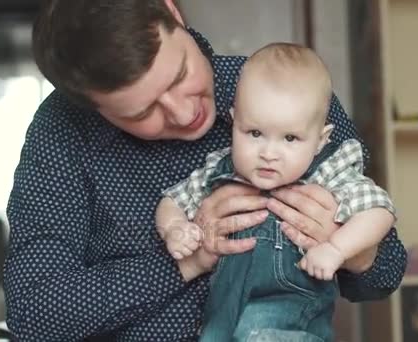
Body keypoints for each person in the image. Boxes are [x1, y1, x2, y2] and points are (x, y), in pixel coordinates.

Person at [2, 1, 407, 341]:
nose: (183, 112)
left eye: (179, 75)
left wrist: (343, 244)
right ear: (95, 110)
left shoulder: (287, 95)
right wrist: (187, 261)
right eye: (143, 111)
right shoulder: (62, 133)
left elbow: (385, 274)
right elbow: (35, 314)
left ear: (172, 12)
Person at [156, 43, 396, 341]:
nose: (269, 153)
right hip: (223, 319)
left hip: (290, 325)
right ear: (234, 122)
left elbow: (379, 212)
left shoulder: (329, 173)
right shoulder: (218, 169)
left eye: (290, 138)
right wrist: (175, 228)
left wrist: (337, 248)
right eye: (255, 133)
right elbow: (172, 200)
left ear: (320, 141)